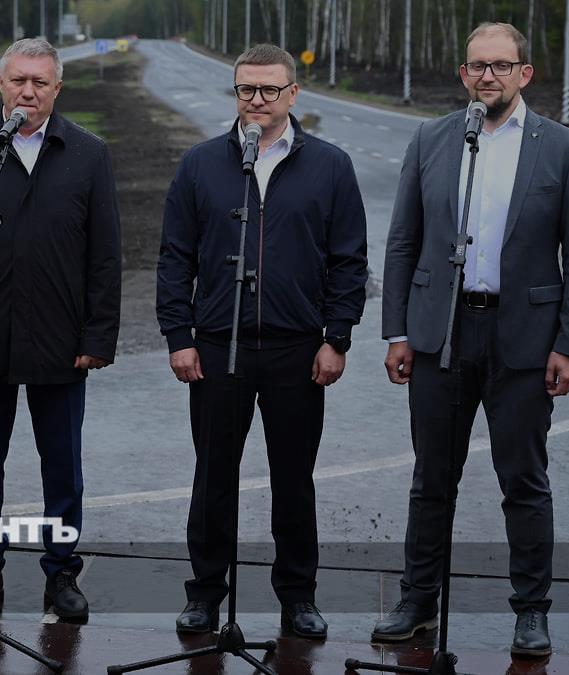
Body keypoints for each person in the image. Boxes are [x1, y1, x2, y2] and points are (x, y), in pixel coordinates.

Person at [375, 22, 569, 657]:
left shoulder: (564, 148)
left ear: (525, 74)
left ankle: (531, 611)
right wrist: (398, 331)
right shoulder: (433, 138)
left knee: (523, 480)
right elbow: (403, 241)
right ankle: (418, 603)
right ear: (463, 74)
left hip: (524, 338)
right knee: (431, 478)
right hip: (441, 333)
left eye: (501, 65)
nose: (488, 76)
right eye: (478, 66)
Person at [157, 43, 369, 639]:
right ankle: (205, 594)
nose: (257, 99)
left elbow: (349, 260)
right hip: (217, 346)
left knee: (293, 479)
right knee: (213, 477)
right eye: (246, 89)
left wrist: (337, 337)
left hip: (296, 350)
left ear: (292, 93)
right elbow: (174, 258)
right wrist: (179, 335)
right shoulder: (201, 164)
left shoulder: (330, 166)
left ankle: (298, 597)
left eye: (269, 89)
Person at [0, 38, 121, 622]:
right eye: (18, 81)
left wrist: (97, 337)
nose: (28, 92)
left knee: (62, 466)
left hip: (61, 341)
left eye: (40, 82)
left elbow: (105, 256)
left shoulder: (88, 153)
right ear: (0, 85)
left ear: (58, 88)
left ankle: (62, 573)